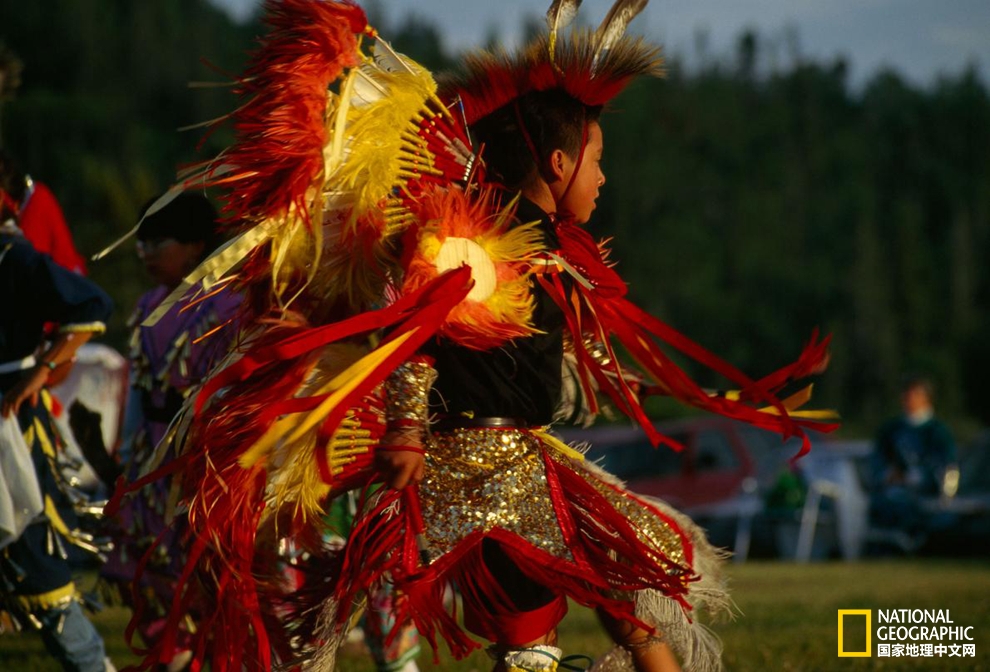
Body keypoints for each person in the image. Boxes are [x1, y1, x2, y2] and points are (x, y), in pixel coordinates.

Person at [109, 2, 834, 671]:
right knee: (562, 630)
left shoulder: (547, 254)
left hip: (528, 459)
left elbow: (581, 374)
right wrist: (402, 431)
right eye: (598, 160)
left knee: (631, 606)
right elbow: (411, 336)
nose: (605, 178)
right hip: (484, 472)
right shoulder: (474, 245)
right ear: (557, 164)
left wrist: (734, 395)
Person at [92, 193, 241, 671]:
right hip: (150, 461)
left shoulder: (231, 303)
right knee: (155, 575)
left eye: (158, 242)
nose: (145, 253)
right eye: (141, 243)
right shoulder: (149, 306)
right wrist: (125, 464)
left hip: (203, 462)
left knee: (209, 579)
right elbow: (137, 392)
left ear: (196, 245)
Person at [0, 161, 114, 671]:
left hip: (11, 432)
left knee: (37, 567)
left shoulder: (13, 255)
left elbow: (91, 303)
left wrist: (42, 369)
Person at [869, 376, 957, 551]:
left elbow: (946, 466)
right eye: (906, 395)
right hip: (893, 492)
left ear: (926, 398)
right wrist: (888, 475)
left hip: (927, 494)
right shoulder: (892, 429)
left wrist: (914, 478)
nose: (909, 400)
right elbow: (878, 460)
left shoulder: (938, 431)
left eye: (915, 395)